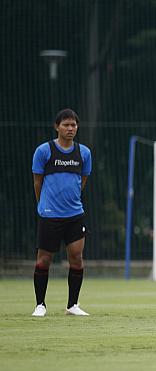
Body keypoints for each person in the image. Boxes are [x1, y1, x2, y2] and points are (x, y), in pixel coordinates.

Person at [31, 109, 92, 317]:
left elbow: (82, 182)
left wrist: (70, 200)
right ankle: (40, 304)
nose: (70, 128)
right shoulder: (43, 151)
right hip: (49, 215)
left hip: (75, 215)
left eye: (73, 125)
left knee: (77, 258)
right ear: (57, 126)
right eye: (66, 125)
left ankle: (72, 305)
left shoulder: (84, 153)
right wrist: (44, 205)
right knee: (43, 260)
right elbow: (37, 182)